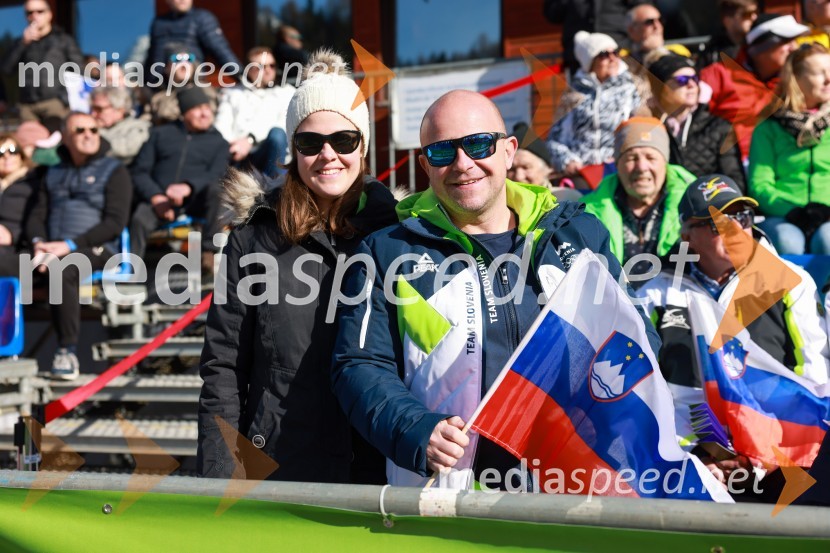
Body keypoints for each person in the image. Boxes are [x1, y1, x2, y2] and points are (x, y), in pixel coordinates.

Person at [331, 89, 661, 489]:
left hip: (575, 483)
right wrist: (414, 429)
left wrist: (604, 403)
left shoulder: (579, 232)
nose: (462, 163)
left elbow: (638, 336)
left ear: (508, 151)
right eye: (442, 151)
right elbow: (360, 365)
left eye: (478, 144)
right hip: (450, 494)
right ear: (424, 165)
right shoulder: (385, 250)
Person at [197, 50, 398, 483]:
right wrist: (219, 473)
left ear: (362, 145)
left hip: (378, 467)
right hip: (280, 464)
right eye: (310, 143)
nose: (328, 155)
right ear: (293, 151)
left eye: (344, 140)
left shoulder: (398, 235)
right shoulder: (253, 239)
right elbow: (224, 367)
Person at [638, 174, 829, 449]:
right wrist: (696, 451)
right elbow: (645, 388)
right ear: (687, 237)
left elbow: (813, 377)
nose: (736, 230)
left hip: (779, 446)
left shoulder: (791, 282)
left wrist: (766, 447)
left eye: (743, 218)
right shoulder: (654, 294)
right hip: (686, 452)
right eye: (718, 223)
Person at [17, 113, 131, 379]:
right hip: (50, 249)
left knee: (63, 268)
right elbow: (35, 216)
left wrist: (69, 245)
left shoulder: (115, 170)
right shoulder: (53, 172)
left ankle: (66, 350)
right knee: (7, 263)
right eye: (79, 130)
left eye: (93, 129)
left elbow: (115, 223)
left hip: (98, 249)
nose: (88, 134)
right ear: (66, 137)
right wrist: (38, 244)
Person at [582, 117, 695, 280]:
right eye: (631, 158)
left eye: (651, 158)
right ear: (617, 164)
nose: (642, 167)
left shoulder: (694, 206)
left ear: (665, 163)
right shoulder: (587, 212)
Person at [129, 87, 229, 265]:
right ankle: (133, 269)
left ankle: (208, 253)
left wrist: (189, 187)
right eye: (197, 109)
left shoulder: (219, 142)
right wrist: (155, 196)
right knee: (140, 218)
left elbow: (217, 174)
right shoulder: (160, 134)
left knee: (218, 190)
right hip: (160, 199)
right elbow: (139, 171)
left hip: (197, 201)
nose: (204, 113)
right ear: (184, 113)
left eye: (207, 108)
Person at [749, 43, 830, 255]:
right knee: (787, 241)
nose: (829, 79)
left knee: (828, 239)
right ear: (797, 79)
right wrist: (792, 211)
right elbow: (760, 185)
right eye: (820, 73)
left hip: (828, 214)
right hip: (784, 216)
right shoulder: (768, 127)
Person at [701, 13, 809, 161]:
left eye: (795, 41)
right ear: (761, 47)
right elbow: (694, 125)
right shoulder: (718, 75)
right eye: (786, 41)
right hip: (730, 167)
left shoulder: (797, 81)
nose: (794, 48)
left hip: (784, 164)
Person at [547, 31, 640, 189]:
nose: (612, 58)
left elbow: (642, 129)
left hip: (619, 169)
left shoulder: (634, 88)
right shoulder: (573, 94)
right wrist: (567, 160)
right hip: (582, 174)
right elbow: (554, 139)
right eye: (604, 54)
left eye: (615, 52)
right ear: (589, 63)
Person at [647, 54, 746, 189]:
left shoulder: (718, 127)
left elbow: (735, 182)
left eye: (695, 78)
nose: (692, 84)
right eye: (682, 80)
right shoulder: (648, 129)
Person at [0, 0, 84, 132]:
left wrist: (64, 99)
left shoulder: (63, 40)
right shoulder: (21, 43)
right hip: (27, 106)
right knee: (29, 145)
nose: (34, 16)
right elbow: (6, 69)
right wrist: (23, 43)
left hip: (55, 103)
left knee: (58, 144)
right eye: (29, 13)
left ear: (49, 14)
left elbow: (79, 70)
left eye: (40, 11)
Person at [214, 47, 294, 178]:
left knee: (277, 134)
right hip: (236, 155)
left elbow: (283, 124)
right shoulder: (232, 93)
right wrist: (232, 146)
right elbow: (222, 125)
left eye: (272, 65)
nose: (268, 70)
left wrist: (250, 140)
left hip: (268, 156)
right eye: (261, 66)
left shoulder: (287, 92)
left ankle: (273, 190)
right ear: (248, 69)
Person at [145, 0, 240, 79]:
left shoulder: (202, 18)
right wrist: (145, 85)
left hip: (192, 84)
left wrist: (242, 76)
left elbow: (220, 50)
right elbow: (152, 57)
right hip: (160, 88)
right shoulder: (158, 23)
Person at [542, 0, 640, 75]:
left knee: (626, 96)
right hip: (579, 59)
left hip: (619, 53)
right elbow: (552, 13)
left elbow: (642, 7)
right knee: (581, 98)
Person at [143, 43, 219, 127]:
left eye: (189, 59)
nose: (184, 63)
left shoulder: (207, 90)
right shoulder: (157, 99)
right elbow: (144, 124)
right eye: (177, 60)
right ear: (167, 68)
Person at [0, 134, 40, 255]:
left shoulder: (33, 182)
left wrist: (12, 235)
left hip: (19, 248)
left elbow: (39, 218)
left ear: (21, 155)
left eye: (12, 151)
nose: (7, 156)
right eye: (1, 153)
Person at [90, 87, 151, 166]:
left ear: (120, 109)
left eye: (99, 109)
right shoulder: (91, 126)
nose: (93, 114)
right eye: (92, 108)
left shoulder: (137, 127)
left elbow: (125, 149)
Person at [698, 0, 759, 70]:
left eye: (756, 12)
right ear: (728, 20)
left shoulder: (759, 44)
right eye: (747, 14)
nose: (754, 17)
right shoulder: (712, 53)